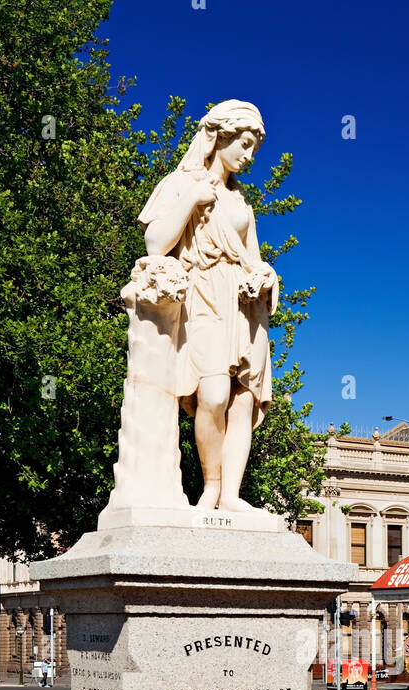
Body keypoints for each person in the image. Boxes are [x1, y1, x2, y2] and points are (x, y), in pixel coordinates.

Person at [138, 100, 279, 512]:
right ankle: (211, 487)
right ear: (220, 136)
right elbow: (155, 245)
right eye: (246, 144)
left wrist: (267, 276)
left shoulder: (241, 203)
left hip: (244, 307)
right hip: (202, 296)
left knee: (242, 400)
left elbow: (253, 257)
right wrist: (191, 201)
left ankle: (231, 496)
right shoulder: (181, 184)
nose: (249, 157)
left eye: (254, 148)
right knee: (212, 394)